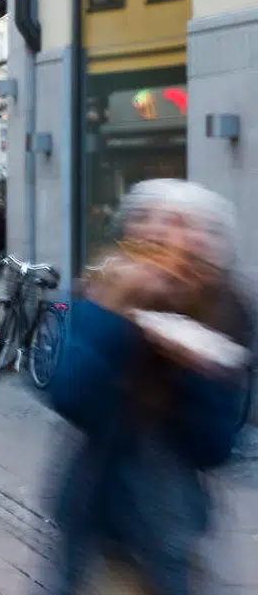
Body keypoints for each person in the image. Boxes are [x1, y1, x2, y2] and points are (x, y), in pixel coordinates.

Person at [47, 180, 253, 594]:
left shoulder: (225, 312)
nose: (155, 233)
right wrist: (110, 310)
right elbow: (66, 393)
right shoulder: (96, 291)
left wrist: (195, 371)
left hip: (170, 535)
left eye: (175, 223)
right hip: (92, 518)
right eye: (143, 219)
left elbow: (215, 446)